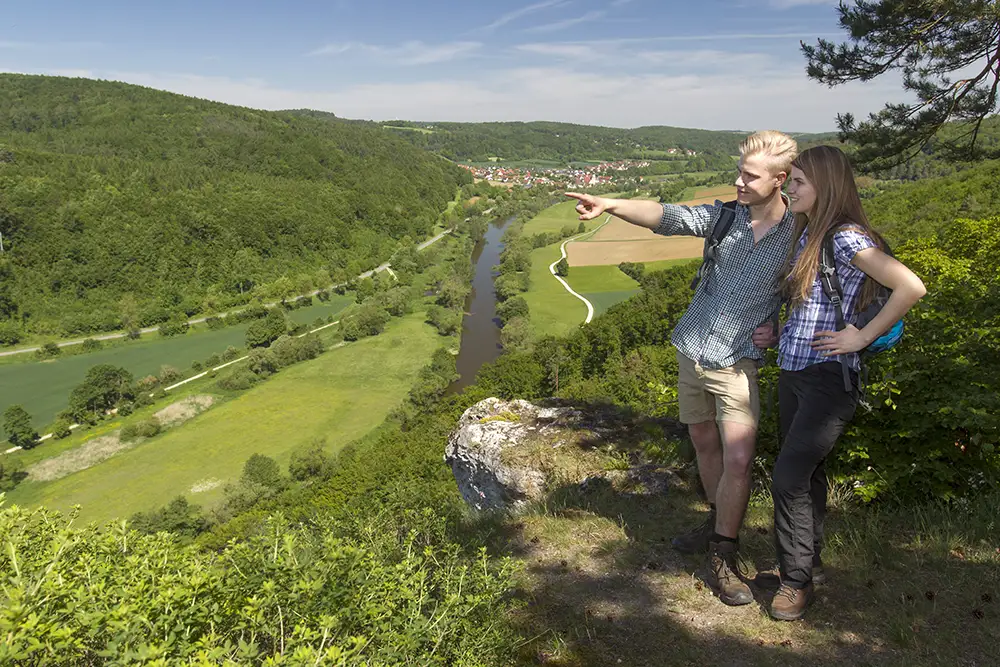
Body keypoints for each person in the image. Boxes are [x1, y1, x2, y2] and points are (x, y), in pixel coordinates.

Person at [566, 130, 798, 607]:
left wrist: (779, 323)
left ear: (780, 180)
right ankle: (716, 523)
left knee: (738, 457)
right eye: (739, 171)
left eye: (749, 176)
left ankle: (724, 554)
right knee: (703, 442)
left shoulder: (800, 231)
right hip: (691, 346)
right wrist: (609, 203)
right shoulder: (726, 216)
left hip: (737, 360)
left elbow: (810, 289)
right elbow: (665, 216)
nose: (738, 181)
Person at [766, 145, 926, 621]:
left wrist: (861, 336)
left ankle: (794, 583)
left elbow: (910, 285)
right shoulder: (808, 233)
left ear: (826, 186)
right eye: (788, 180)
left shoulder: (844, 237)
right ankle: (808, 564)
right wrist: (778, 331)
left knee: (788, 477)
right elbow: (815, 303)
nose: (788, 189)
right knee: (807, 475)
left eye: (797, 182)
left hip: (826, 380)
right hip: (795, 371)